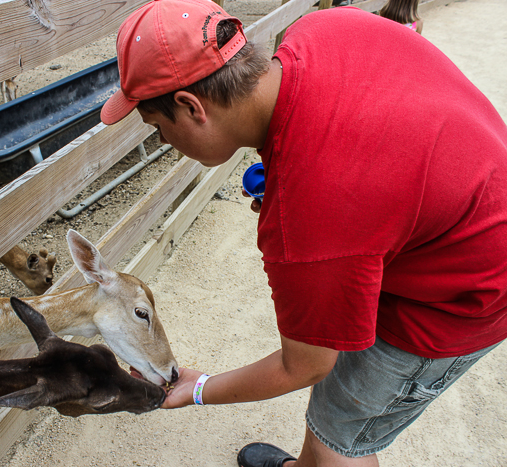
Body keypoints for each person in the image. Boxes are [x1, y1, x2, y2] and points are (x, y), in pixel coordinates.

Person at [100, 1, 507, 466]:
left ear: (191, 107)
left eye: (158, 129)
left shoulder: (308, 212)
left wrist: (200, 389)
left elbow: (306, 365)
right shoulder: (326, 26)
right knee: (334, 411)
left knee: (345, 436)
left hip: (461, 298)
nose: (163, 145)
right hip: (472, 206)